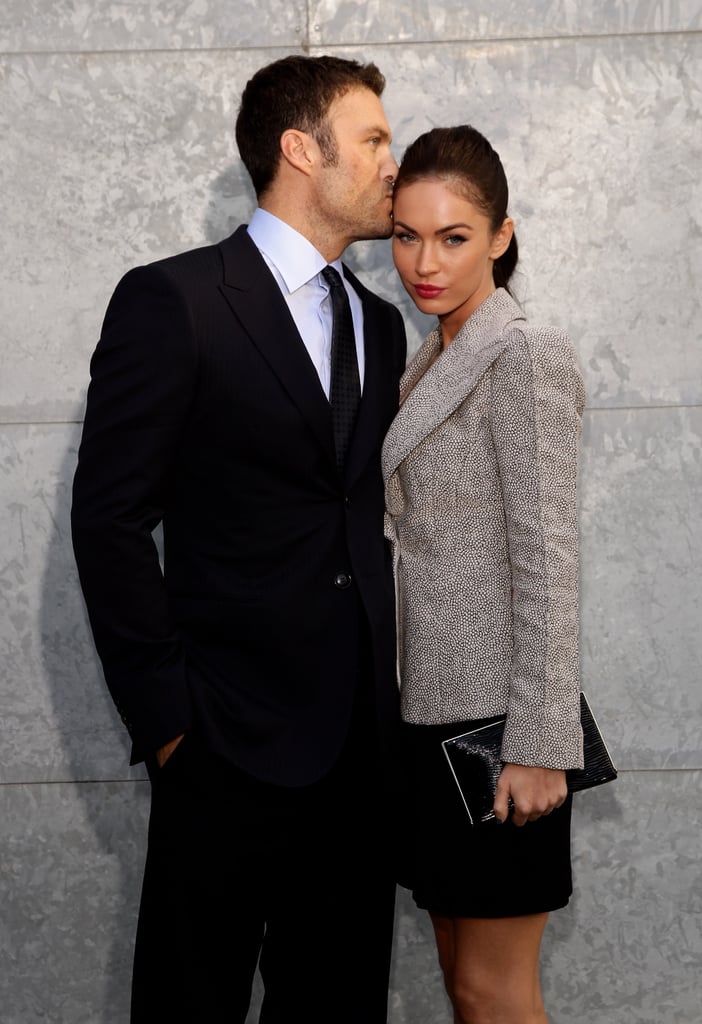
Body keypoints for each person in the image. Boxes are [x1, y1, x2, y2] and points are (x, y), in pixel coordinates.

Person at [71, 54, 407, 1024]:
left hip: (356, 756)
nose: (394, 159)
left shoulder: (381, 327)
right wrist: (173, 719)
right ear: (303, 149)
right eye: (375, 138)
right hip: (222, 745)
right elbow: (110, 518)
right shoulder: (174, 301)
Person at [382, 124, 586, 1024]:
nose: (425, 262)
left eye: (454, 237)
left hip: (501, 725)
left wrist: (540, 741)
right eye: (406, 235)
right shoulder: (431, 359)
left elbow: (549, 557)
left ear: (502, 236)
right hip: (430, 710)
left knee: (492, 987)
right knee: (463, 982)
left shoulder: (522, 354)